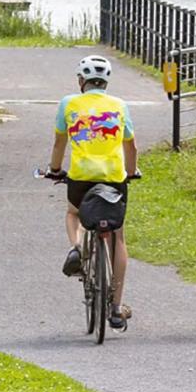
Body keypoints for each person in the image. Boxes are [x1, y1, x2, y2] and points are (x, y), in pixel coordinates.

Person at [46, 55, 138, 330]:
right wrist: (131, 172)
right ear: (106, 81)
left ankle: (76, 247)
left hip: (81, 177)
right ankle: (116, 307)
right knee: (117, 237)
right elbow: (131, 147)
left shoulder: (68, 104)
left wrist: (54, 169)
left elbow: (59, 142)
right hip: (113, 178)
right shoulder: (119, 106)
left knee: (74, 213)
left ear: (81, 80)